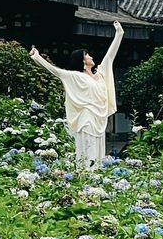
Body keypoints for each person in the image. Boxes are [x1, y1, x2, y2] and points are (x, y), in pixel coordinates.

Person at [30, 20, 124, 169]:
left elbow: (110, 56)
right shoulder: (76, 76)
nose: (91, 57)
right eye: (88, 55)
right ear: (83, 60)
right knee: (88, 154)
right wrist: (37, 57)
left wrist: (119, 33)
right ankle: (86, 182)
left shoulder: (100, 74)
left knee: (99, 155)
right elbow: (56, 71)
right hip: (86, 119)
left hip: (99, 120)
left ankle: (98, 184)